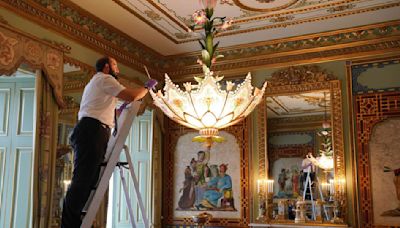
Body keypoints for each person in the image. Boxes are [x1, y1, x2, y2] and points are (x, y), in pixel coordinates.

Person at [61, 56, 157, 228]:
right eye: (115, 66)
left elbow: (109, 105)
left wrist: (117, 109)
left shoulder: (101, 83)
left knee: (88, 179)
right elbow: (132, 95)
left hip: (93, 130)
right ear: (106, 67)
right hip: (91, 131)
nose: (118, 70)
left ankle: (73, 222)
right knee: (83, 179)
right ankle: (69, 224)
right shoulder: (104, 79)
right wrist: (146, 87)